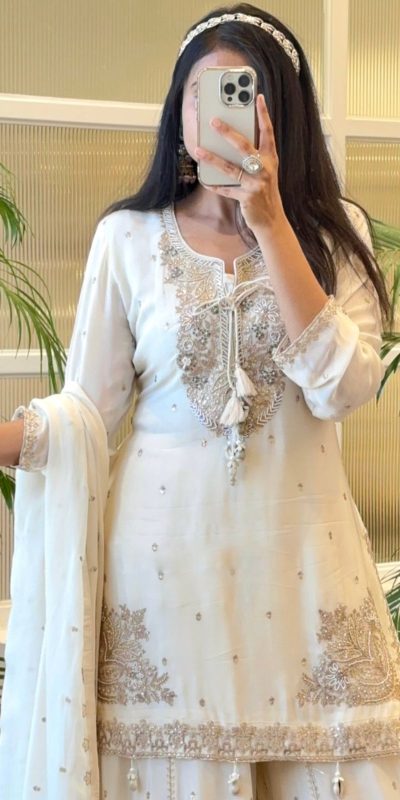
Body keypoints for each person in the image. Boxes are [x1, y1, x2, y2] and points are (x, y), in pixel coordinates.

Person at [0, 3, 399, 799]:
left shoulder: (334, 236)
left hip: (304, 576)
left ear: (280, 113)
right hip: (163, 579)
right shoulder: (127, 238)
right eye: (200, 93)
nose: (215, 114)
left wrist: (272, 224)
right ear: (177, 111)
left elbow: (344, 389)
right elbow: (87, 414)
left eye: (242, 94)